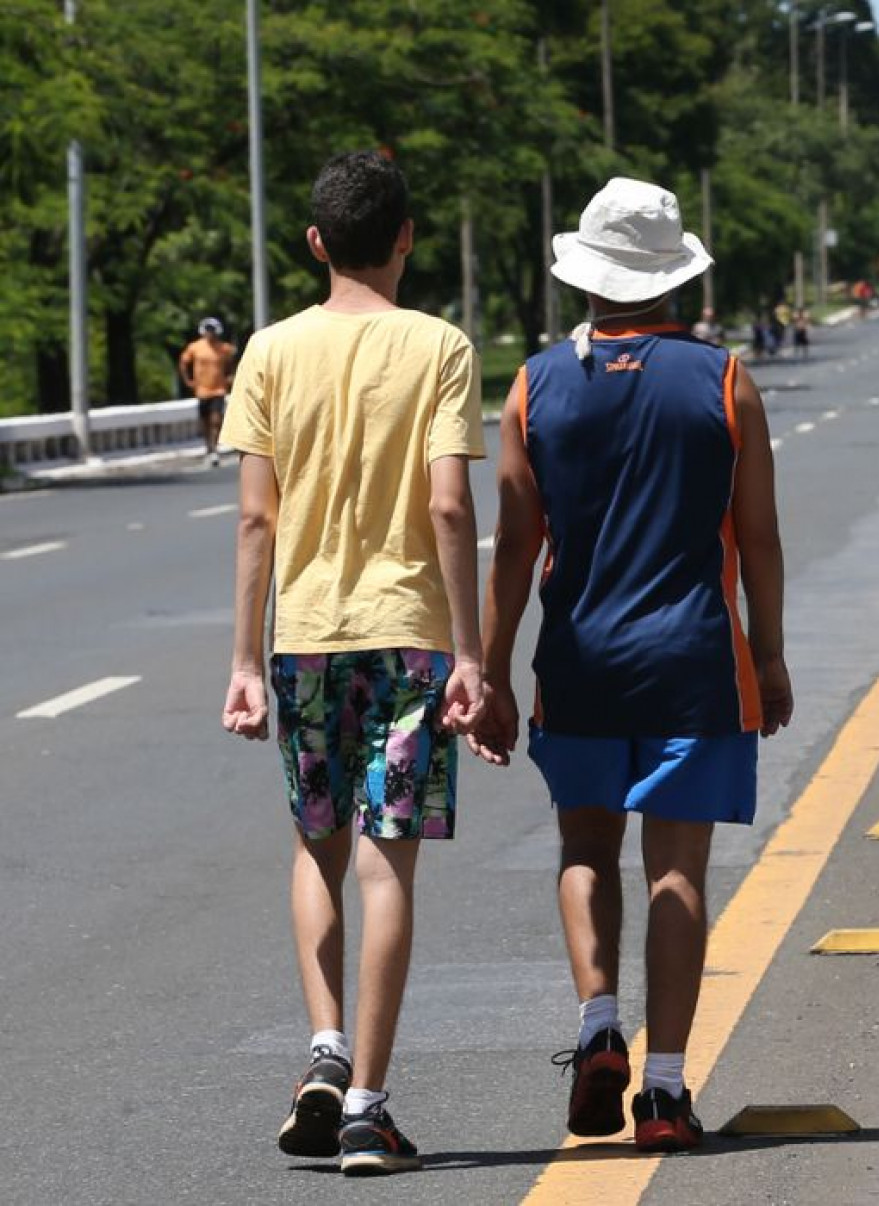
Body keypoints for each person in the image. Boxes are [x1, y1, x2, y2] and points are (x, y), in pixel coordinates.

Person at [470, 177, 792, 1155]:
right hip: (696, 660)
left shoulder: (532, 385)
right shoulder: (726, 379)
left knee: (583, 850)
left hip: (579, 662)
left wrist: (487, 675)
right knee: (678, 873)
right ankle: (663, 1091)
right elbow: (760, 537)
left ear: (588, 276)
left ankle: (599, 1022)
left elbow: (515, 548)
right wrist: (767, 655)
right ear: (671, 275)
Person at [220, 150, 486, 1177]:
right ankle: (370, 1109)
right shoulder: (441, 348)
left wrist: (246, 660)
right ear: (408, 237)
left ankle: (324, 1044)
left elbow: (255, 520)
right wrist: (471, 652)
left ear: (316, 242)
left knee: (317, 844)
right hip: (411, 636)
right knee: (388, 862)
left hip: (307, 641)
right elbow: (451, 505)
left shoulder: (270, 352)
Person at [179, 317, 237, 467]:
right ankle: (208, 447)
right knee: (204, 421)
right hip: (202, 390)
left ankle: (215, 449)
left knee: (216, 420)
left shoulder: (224, 349)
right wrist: (188, 380)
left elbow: (232, 363)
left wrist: (230, 376)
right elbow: (184, 362)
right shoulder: (195, 348)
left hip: (218, 389)